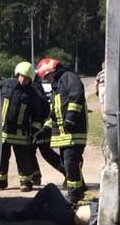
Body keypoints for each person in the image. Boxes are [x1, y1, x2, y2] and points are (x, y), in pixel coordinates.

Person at [34, 57, 88, 204]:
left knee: (70, 164)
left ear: (52, 71)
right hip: (65, 135)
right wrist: (44, 130)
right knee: (67, 164)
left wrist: (70, 119)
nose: (47, 79)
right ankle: (79, 190)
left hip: (74, 133)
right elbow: (55, 114)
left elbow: (77, 97)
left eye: (47, 76)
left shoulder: (69, 78)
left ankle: (74, 196)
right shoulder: (57, 87)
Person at [0, 61, 46, 193]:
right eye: (21, 76)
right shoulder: (6, 85)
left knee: (23, 159)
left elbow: (37, 115)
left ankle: (25, 183)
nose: (23, 80)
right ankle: (0, 182)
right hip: (3, 132)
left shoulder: (33, 94)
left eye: (27, 78)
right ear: (17, 74)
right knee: (1, 158)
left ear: (31, 79)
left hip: (21, 134)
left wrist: (35, 132)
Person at [0, 183, 98, 225]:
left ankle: (22, 214)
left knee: (50, 188)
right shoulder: (109, 210)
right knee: (38, 211)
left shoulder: (108, 218)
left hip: (67, 215)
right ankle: (12, 215)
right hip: (70, 210)